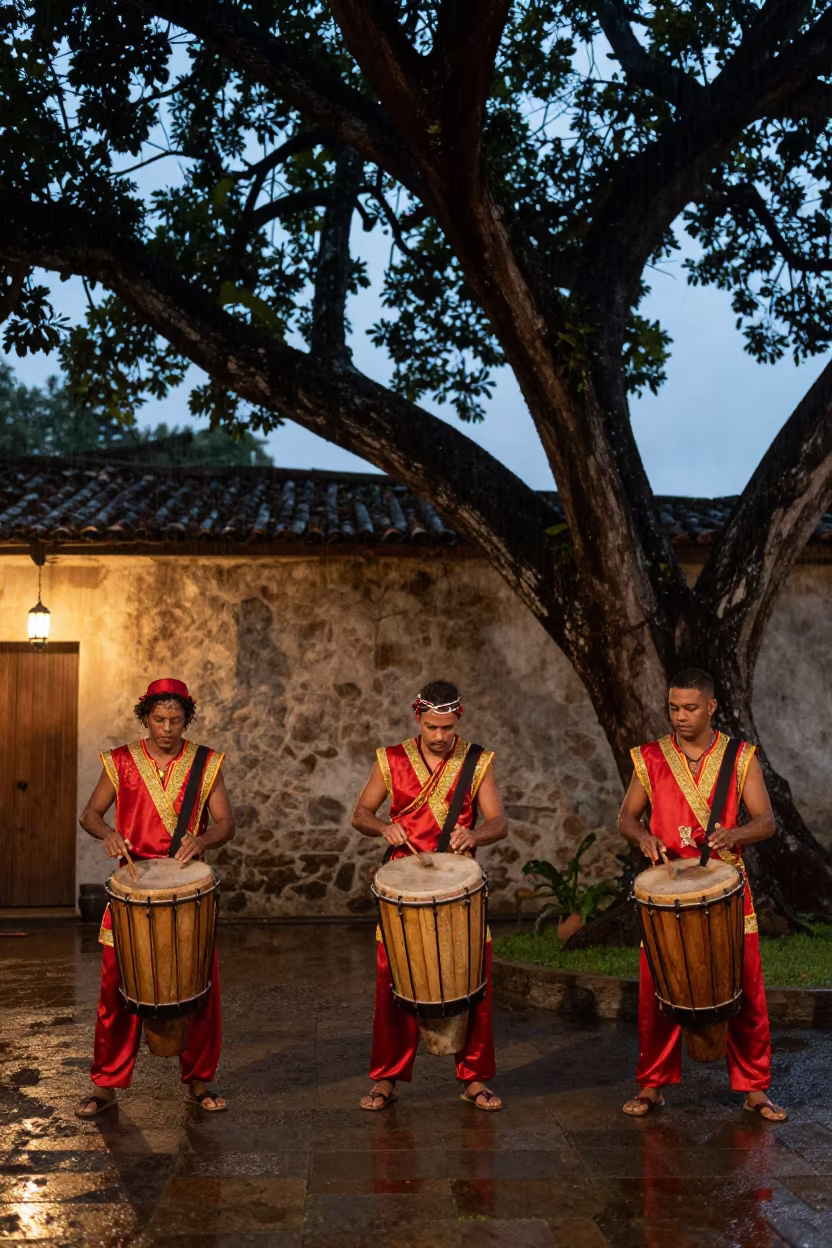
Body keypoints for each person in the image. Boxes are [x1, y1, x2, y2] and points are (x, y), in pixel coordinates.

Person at [617, 667, 786, 1122]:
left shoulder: (740, 755)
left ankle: (755, 1089)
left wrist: (736, 834)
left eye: (690, 708)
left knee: (746, 990)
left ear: (711, 706)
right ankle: (652, 1085)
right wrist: (642, 838)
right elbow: (626, 818)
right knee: (657, 993)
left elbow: (766, 821)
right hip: (667, 890)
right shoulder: (650, 757)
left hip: (727, 891)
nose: (680, 716)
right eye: (674, 708)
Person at [74, 678, 235, 1118]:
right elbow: (90, 814)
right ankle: (105, 1086)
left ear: (187, 720)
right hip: (131, 892)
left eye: (176, 720)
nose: (167, 727)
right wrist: (108, 833)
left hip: (188, 894)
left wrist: (202, 840)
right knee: (115, 992)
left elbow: (225, 824)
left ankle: (200, 1079)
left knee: (199, 991)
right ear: (145, 718)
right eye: (159, 719)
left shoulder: (206, 763)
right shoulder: (121, 762)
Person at [352, 679, 507, 1113]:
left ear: (459, 718)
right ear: (417, 717)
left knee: (473, 980)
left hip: (461, 889)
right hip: (405, 889)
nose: (440, 737)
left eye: (447, 727)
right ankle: (386, 1079)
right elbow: (360, 812)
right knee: (393, 982)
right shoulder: (391, 759)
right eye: (432, 727)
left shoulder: (477, 761)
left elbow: (499, 823)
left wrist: (474, 832)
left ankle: (474, 1079)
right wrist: (383, 826)